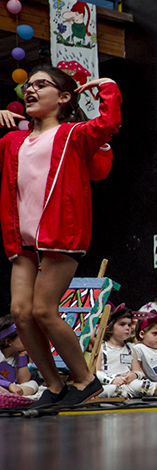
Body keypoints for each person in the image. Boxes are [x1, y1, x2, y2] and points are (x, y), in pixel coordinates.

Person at [0, 64, 121, 408]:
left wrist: (108, 87)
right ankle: (54, 386)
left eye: (42, 85)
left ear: (64, 97)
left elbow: (108, 123)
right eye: (29, 85)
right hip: (21, 238)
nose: (31, 90)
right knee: (20, 312)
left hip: (60, 234)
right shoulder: (12, 141)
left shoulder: (73, 134)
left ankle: (85, 379)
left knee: (43, 310)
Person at [96, 306, 139, 397]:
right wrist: (111, 380)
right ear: (111, 327)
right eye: (122, 324)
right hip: (109, 384)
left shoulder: (131, 349)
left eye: (129, 325)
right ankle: (124, 394)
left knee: (141, 385)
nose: (127, 328)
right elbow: (96, 372)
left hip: (127, 384)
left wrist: (134, 375)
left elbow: (139, 372)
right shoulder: (102, 348)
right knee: (111, 389)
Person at [0, 316, 37, 397]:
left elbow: (23, 380)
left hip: (12, 387)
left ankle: (10, 395)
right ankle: (10, 395)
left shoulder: (17, 355)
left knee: (33, 384)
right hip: (4, 385)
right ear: (8, 341)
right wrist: (9, 385)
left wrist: (22, 356)